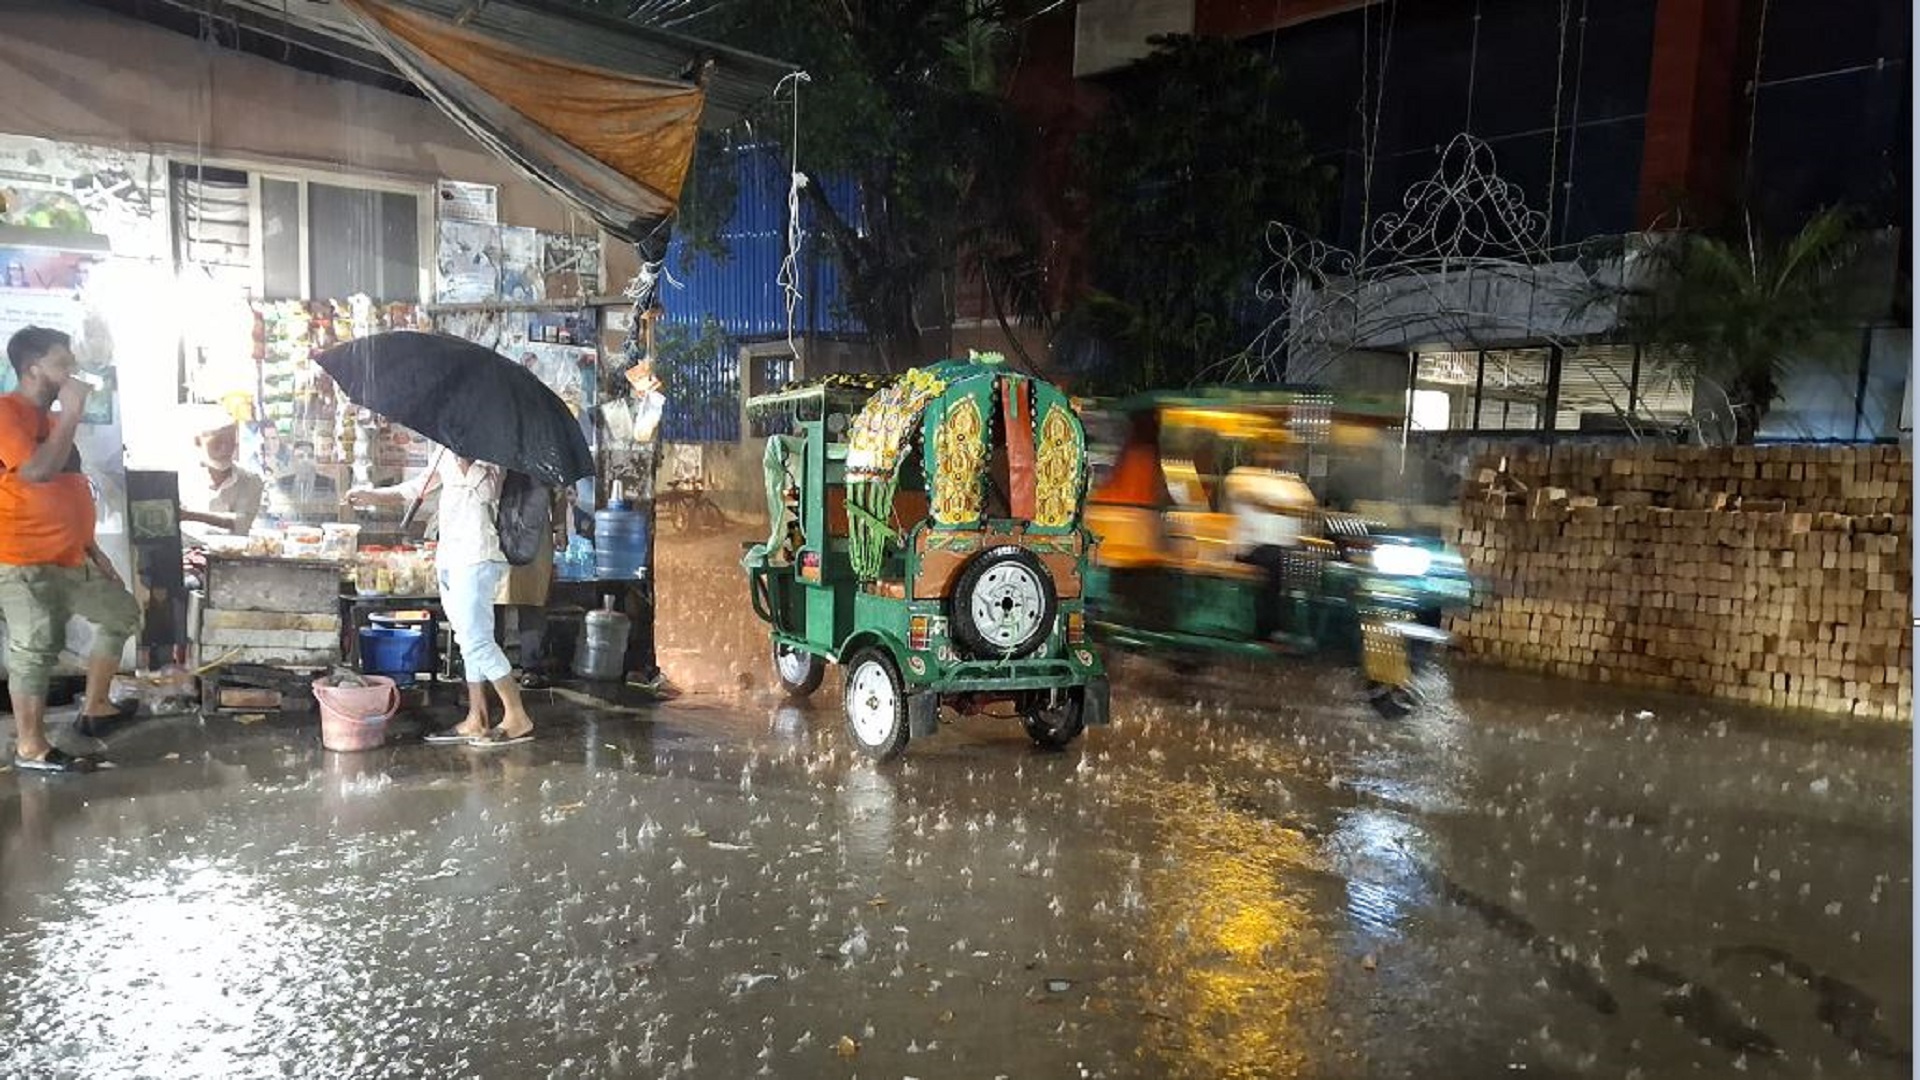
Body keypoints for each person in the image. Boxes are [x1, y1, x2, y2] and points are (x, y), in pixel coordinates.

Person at [0, 326, 141, 772]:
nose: (71, 373)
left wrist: (93, 549)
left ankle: (96, 707)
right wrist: (74, 410)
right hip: (23, 559)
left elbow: (65, 489)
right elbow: (37, 473)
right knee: (36, 647)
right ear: (32, 368)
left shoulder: (50, 420)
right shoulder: (7, 413)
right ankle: (30, 746)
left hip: (71, 554)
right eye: (63, 364)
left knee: (121, 613)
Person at [349, 451, 535, 745]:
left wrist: (467, 462)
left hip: (479, 555)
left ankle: (517, 715)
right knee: (466, 639)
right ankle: (478, 717)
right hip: (450, 555)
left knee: (478, 640)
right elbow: (417, 487)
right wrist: (372, 495)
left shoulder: (492, 453)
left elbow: (489, 493)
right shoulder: (444, 450)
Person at [1223, 449, 1317, 641]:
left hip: (1286, 550)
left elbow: (1307, 506)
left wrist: (1285, 508)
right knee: (1273, 559)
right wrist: (1284, 508)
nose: (1276, 458)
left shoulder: (1292, 482)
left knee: (1302, 563)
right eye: (1271, 451)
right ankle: (1266, 631)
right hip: (1253, 549)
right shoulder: (1243, 475)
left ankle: (1293, 628)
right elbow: (1254, 499)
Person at [179, 411, 264, 540]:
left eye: (230, 441)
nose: (225, 448)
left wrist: (189, 515)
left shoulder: (251, 481)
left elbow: (242, 523)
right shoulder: (182, 479)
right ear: (198, 442)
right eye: (217, 442)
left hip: (235, 557)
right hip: (192, 556)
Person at [273, 439, 339, 521]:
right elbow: (276, 512)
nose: (306, 460)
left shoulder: (328, 483)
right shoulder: (282, 483)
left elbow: (332, 515)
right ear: (293, 460)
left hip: (317, 530)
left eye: (310, 456)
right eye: (300, 456)